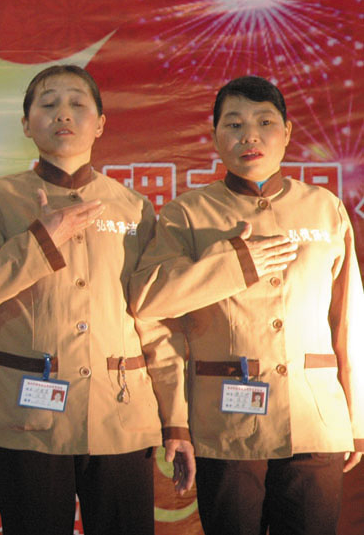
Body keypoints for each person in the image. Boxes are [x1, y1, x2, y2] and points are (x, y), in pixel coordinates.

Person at [0, 64, 190, 535]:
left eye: (78, 104)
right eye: (48, 104)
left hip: (121, 415)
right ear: (26, 123)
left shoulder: (133, 207)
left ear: (100, 124)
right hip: (26, 418)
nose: (63, 114)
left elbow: (154, 319)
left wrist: (175, 418)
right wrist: (40, 241)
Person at [129, 75, 364, 535]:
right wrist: (233, 264)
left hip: (316, 418)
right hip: (226, 422)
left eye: (264, 123)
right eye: (234, 125)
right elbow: (149, 300)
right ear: (215, 135)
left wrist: (355, 418)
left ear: (287, 132)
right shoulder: (187, 213)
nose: (249, 136)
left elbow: (349, 321)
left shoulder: (325, 208)